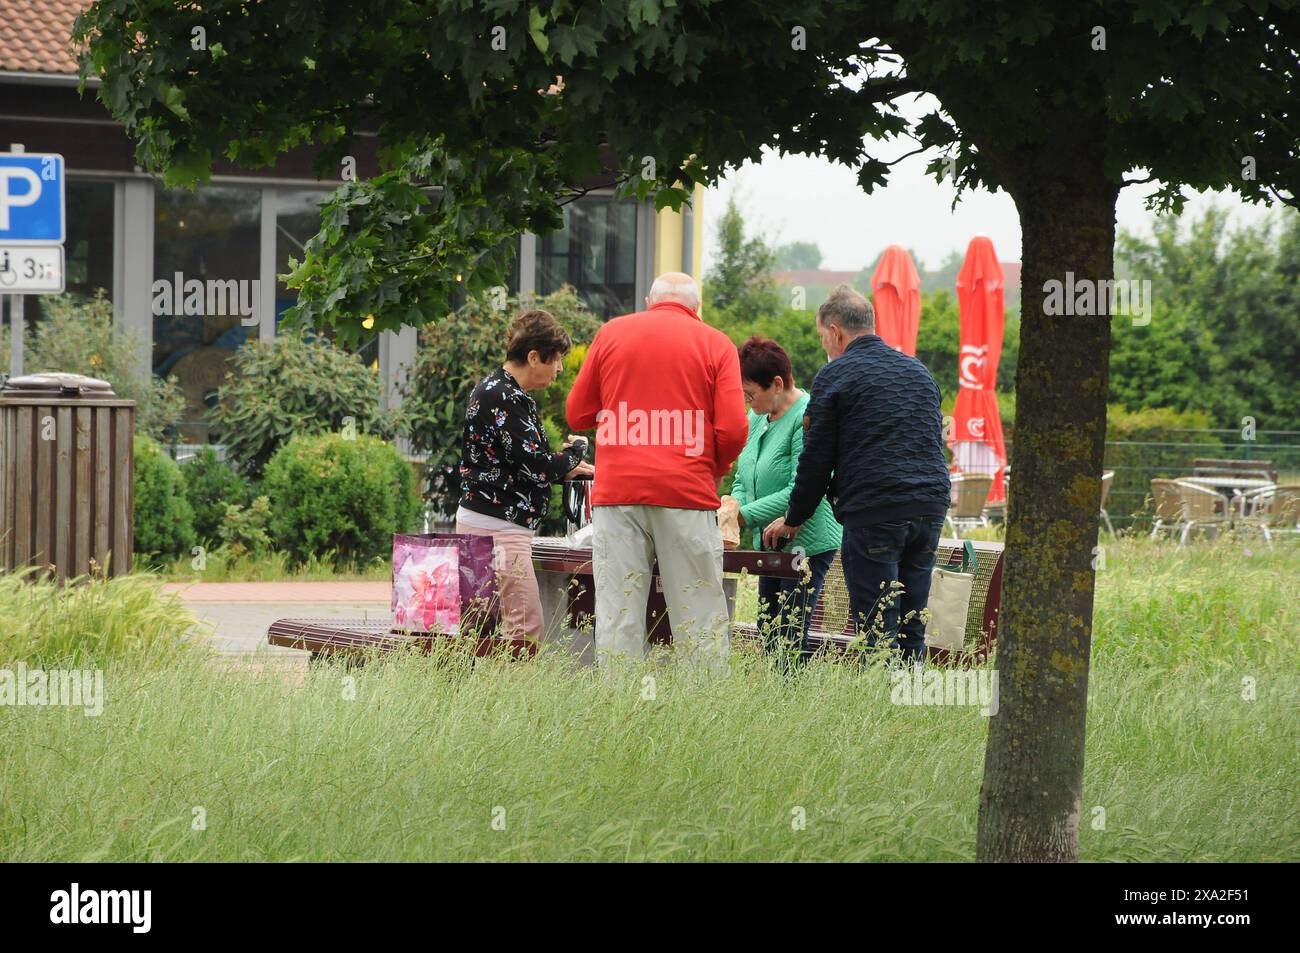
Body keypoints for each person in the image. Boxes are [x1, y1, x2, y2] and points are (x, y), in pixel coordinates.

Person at [566, 272, 747, 672]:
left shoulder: (612, 334)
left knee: (618, 613)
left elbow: (577, 412)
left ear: (650, 301)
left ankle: (620, 713)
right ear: (696, 308)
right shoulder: (716, 343)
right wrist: (714, 468)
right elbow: (733, 428)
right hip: (687, 494)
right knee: (699, 614)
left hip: (618, 498)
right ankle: (707, 717)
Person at [763, 285, 950, 663]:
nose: (824, 347)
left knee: (877, 624)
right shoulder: (918, 371)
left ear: (835, 332)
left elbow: (815, 461)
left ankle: (884, 710)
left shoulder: (836, 376)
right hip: (930, 507)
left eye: (822, 339)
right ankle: (910, 706)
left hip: (875, 510)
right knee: (912, 623)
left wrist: (795, 518)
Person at [457, 309, 595, 647]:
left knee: (477, 629)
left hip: (486, 523)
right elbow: (536, 464)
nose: (560, 368)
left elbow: (519, 463)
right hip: (500, 528)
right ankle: (510, 696)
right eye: (557, 359)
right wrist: (575, 450)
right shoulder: (505, 397)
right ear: (534, 357)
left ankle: (472, 695)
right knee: (524, 628)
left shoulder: (500, 391)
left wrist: (566, 466)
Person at [730, 336, 841, 668]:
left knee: (791, 631)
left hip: (807, 539)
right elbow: (742, 477)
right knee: (768, 628)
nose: (747, 401)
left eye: (751, 393)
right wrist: (733, 506)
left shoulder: (807, 414)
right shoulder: (757, 418)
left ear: (777, 384)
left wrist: (742, 516)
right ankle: (774, 704)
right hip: (771, 541)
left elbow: (801, 486)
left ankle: (794, 698)